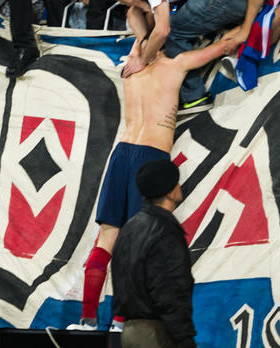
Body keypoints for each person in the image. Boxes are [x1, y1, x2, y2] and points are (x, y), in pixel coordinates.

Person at [69, 38, 228, 331]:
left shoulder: (131, 67)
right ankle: (120, 322)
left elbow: (140, 30)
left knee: (106, 239)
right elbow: (228, 44)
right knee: (137, 241)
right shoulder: (176, 64)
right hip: (151, 155)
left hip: (122, 153)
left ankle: (87, 321)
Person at [123, 0, 253, 115]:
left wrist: (142, 61)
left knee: (173, 32)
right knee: (181, 16)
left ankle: (193, 96)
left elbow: (163, 31)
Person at [111, 159, 196, 348]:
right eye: (176, 182)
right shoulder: (165, 231)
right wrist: (185, 338)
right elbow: (168, 290)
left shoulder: (130, 228)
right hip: (156, 335)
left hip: (129, 332)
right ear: (170, 192)